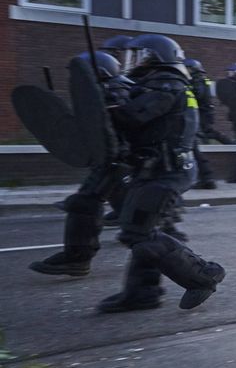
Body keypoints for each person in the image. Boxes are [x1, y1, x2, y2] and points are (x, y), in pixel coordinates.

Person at [97, 34, 225, 312]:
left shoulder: (167, 85)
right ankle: (143, 293)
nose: (133, 61)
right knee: (140, 230)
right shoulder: (154, 84)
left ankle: (204, 275)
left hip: (167, 172)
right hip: (155, 169)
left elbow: (132, 117)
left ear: (157, 57)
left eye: (140, 55)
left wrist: (113, 99)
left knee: (138, 233)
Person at [29, 51, 134, 277]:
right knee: (126, 214)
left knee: (85, 204)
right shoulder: (101, 92)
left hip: (118, 162)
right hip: (109, 162)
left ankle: (78, 258)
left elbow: (117, 130)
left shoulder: (116, 92)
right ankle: (78, 257)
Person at [183, 58, 229, 190]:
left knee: (196, 143)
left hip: (199, 116)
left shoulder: (198, 81)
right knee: (197, 144)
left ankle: (207, 177)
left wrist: (188, 85)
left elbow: (198, 95)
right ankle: (207, 177)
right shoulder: (201, 80)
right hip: (199, 116)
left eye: (187, 69)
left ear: (193, 70)